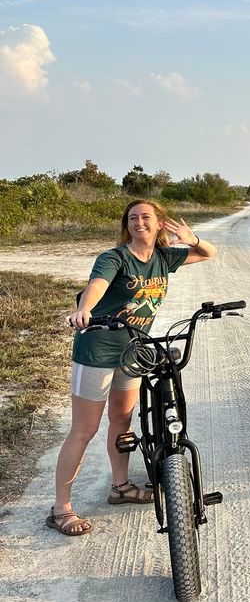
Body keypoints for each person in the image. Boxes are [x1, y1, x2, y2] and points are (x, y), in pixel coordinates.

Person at [48, 200, 217, 536]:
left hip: (131, 350)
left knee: (122, 420)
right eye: (133, 218)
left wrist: (191, 238)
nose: (139, 222)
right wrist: (84, 310)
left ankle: (120, 487)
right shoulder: (115, 258)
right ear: (127, 225)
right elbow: (97, 284)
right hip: (96, 349)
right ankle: (60, 509)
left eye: (146, 217)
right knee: (84, 429)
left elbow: (209, 253)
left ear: (158, 224)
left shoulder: (164, 258)